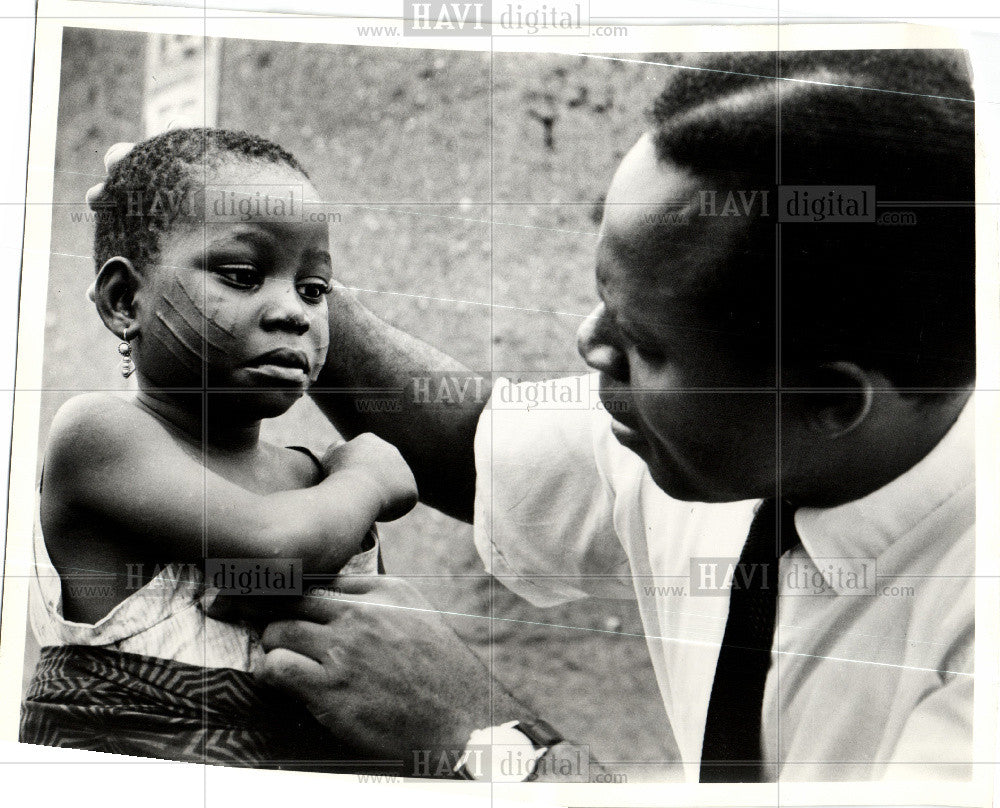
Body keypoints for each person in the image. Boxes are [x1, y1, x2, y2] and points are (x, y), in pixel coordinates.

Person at [89, 48, 978, 783]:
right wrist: (274, 283)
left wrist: (481, 731)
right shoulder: (708, 430)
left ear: (832, 399)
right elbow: (474, 443)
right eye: (601, 297)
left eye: (646, 345)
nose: (591, 347)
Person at [20, 127, 417, 770]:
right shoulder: (98, 437)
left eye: (314, 290)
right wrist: (369, 475)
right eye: (242, 274)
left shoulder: (313, 479)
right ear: (125, 301)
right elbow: (276, 551)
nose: (292, 311)